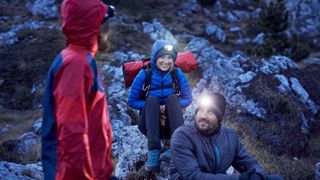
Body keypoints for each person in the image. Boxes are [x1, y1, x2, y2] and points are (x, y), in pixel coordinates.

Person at [41, 0, 115, 179]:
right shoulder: (75, 65)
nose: (108, 29)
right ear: (94, 26)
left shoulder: (81, 59)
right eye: (104, 22)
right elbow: (71, 133)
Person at [169, 92, 284, 180]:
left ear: (220, 118)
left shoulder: (230, 135)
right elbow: (192, 176)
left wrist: (258, 175)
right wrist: (238, 178)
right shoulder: (183, 135)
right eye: (200, 110)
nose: (203, 116)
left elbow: (249, 163)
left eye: (210, 112)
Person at [128, 40, 192, 172]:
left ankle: (176, 147)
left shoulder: (176, 73)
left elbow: (188, 98)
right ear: (155, 58)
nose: (166, 61)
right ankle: (154, 152)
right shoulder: (145, 74)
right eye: (162, 57)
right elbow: (132, 101)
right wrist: (156, 107)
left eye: (169, 58)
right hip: (149, 125)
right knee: (151, 100)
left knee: (173, 98)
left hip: (170, 124)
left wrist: (167, 107)